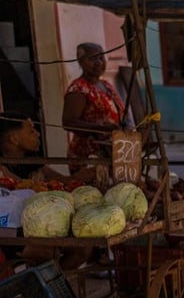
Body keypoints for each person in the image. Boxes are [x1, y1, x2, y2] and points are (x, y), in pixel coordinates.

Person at [0, 112, 90, 269]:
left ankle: (53, 281)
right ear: (14, 139)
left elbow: (64, 182)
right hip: (10, 230)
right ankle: (39, 281)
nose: (38, 134)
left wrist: (86, 174)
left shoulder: (33, 162)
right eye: (31, 131)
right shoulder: (2, 169)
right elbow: (22, 187)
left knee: (83, 248)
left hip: (39, 226)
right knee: (44, 251)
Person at [62, 43, 127, 173]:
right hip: (88, 156)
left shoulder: (106, 85)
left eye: (101, 58)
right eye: (92, 59)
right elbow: (68, 122)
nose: (99, 63)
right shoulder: (78, 89)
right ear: (81, 62)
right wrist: (100, 128)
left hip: (110, 153)